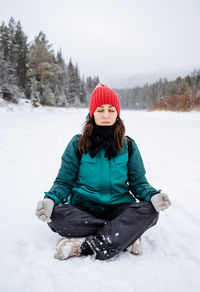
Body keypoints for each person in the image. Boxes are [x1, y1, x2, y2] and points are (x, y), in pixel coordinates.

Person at [35, 83, 171, 261]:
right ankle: (124, 235)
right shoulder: (77, 144)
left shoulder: (128, 145)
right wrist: (51, 199)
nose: (106, 115)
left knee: (150, 211)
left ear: (117, 113)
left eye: (110, 109)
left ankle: (85, 246)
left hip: (118, 207)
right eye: (100, 110)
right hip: (83, 208)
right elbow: (64, 182)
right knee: (56, 215)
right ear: (92, 113)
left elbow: (138, 183)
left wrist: (153, 195)